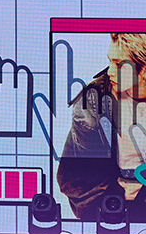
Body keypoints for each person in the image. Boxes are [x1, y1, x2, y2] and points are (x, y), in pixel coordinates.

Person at [57, 33, 146, 221]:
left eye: (119, 65)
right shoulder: (93, 101)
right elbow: (77, 178)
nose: (110, 72)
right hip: (110, 208)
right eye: (110, 61)